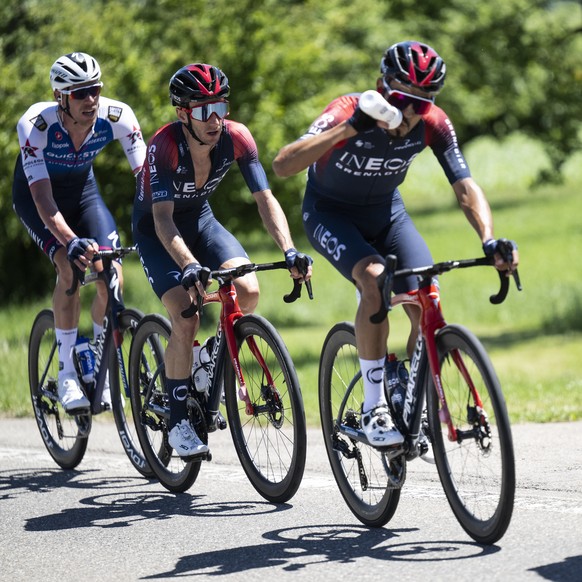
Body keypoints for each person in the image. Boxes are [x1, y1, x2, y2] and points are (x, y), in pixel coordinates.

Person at [272, 40, 519, 447]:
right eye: (401, 99)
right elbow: (283, 164)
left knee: (427, 293)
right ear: (380, 88)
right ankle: (374, 409)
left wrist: (489, 239)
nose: (408, 112)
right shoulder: (347, 110)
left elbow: (465, 185)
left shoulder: (433, 123)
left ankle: (407, 392)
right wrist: (350, 129)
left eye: (420, 104)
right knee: (373, 278)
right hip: (329, 213)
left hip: (388, 214)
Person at [132, 63, 312, 459]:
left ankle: (208, 359)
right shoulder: (163, 147)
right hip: (157, 232)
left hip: (200, 221)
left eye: (220, 107)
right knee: (185, 313)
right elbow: (162, 220)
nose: (214, 119)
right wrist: (188, 264)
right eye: (202, 111)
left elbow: (265, 199)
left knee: (246, 289)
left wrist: (288, 249)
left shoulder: (237, 138)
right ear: (183, 113)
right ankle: (178, 419)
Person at [12, 52, 146, 413]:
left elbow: (148, 181)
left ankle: (101, 364)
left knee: (112, 275)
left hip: (84, 194)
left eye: (95, 90)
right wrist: (70, 242)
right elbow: (42, 197)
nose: (90, 100)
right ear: (60, 97)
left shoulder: (117, 116)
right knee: (70, 267)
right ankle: (67, 370)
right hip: (38, 199)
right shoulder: (36, 125)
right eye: (80, 93)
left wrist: (156, 225)